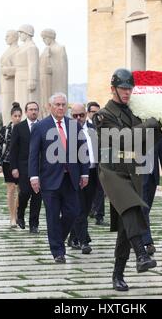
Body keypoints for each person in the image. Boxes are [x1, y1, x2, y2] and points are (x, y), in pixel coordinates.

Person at [92, 68, 159, 292]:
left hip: (132, 171)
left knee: (125, 226)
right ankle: (141, 253)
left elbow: (145, 144)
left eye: (130, 88)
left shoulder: (135, 113)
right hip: (112, 171)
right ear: (113, 89)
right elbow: (123, 139)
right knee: (131, 209)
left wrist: (160, 123)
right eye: (123, 88)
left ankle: (117, 274)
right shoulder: (103, 115)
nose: (127, 92)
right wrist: (148, 124)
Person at [28, 93, 89, 263]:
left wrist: (85, 173)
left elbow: (82, 150)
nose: (61, 107)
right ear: (50, 107)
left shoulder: (73, 125)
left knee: (73, 212)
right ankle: (58, 252)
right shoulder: (40, 127)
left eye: (63, 104)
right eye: (57, 104)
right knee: (53, 216)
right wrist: (34, 176)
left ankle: (57, 238)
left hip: (71, 178)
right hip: (49, 180)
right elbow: (33, 154)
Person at [67, 103, 98, 254]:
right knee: (79, 208)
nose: (78, 118)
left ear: (86, 114)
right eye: (75, 116)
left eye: (81, 115)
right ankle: (84, 241)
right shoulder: (67, 130)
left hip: (93, 172)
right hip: (76, 174)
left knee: (86, 208)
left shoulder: (93, 129)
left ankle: (73, 237)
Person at [10, 101, 42, 233]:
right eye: (31, 109)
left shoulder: (43, 126)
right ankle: (20, 214)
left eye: (35, 109)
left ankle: (34, 224)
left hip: (40, 167)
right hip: (23, 166)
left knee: (37, 195)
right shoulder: (19, 127)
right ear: (26, 111)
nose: (33, 112)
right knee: (25, 193)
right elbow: (13, 149)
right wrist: (14, 167)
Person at [142, 135, 162, 256]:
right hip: (138, 176)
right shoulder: (135, 130)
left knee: (146, 209)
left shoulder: (158, 135)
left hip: (152, 177)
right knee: (143, 209)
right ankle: (148, 242)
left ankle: (135, 236)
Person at [0, 103, 23, 228]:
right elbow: (0, 147)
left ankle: (17, 213)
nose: (17, 118)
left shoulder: (25, 129)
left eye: (19, 116)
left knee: (21, 190)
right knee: (11, 189)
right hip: (7, 162)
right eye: (15, 116)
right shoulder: (5, 130)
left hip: (21, 163)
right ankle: (12, 217)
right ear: (11, 116)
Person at [86, 101, 107, 225]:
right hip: (86, 163)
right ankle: (89, 210)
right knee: (88, 190)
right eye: (93, 112)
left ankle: (100, 216)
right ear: (88, 113)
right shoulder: (83, 126)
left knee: (101, 189)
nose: (95, 114)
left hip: (100, 162)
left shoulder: (103, 126)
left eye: (98, 112)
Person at [39, 29, 68, 118]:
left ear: (50, 37)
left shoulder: (60, 48)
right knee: (44, 103)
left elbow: (62, 68)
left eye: (44, 38)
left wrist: (51, 68)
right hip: (44, 80)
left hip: (54, 82)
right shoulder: (45, 50)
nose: (43, 40)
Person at [14, 24, 40, 113]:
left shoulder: (32, 47)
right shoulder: (22, 47)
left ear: (27, 33)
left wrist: (32, 79)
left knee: (26, 101)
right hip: (20, 78)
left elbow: (33, 64)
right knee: (20, 102)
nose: (20, 35)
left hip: (26, 78)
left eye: (21, 33)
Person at [0, 30, 20, 126]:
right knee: (5, 110)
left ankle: (11, 129)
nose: (5, 38)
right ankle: (6, 130)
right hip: (5, 85)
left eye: (8, 36)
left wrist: (7, 70)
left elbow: (19, 68)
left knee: (9, 109)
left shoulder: (18, 51)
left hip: (11, 85)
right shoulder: (8, 51)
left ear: (14, 37)